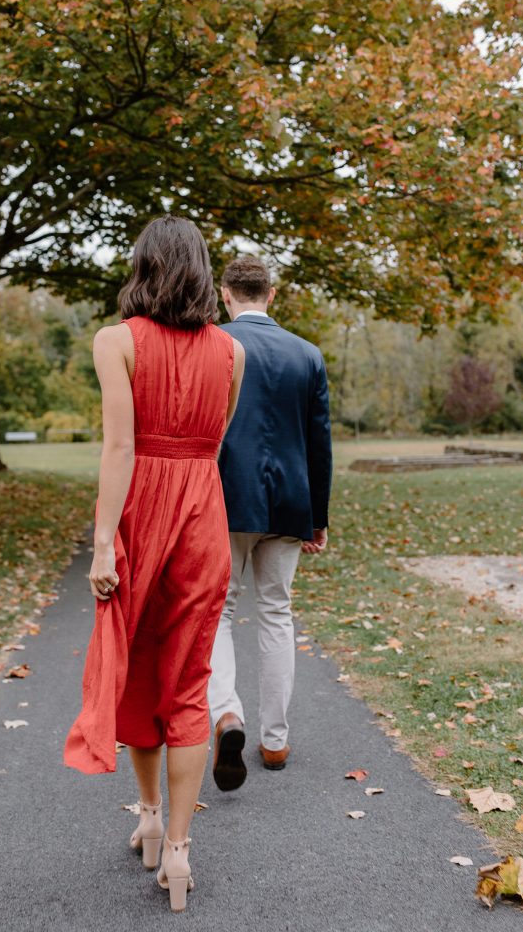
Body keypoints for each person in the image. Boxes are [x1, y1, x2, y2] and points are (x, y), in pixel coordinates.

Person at [63, 215, 245, 913]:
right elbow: (213, 441)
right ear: (202, 271)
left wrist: (104, 540)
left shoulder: (116, 341)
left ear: (142, 266)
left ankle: (145, 813)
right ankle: (177, 851)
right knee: (188, 679)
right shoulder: (231, 352)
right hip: (204, 516)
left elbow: (119, 448)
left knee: (137, 666)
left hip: (142, 514)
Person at [209, 256, 332, 792]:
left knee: (219, 610)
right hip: (289, 501)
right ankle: (276, 740)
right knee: (277, 613)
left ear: (224, 294)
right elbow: (318, 442)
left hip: (225, 499)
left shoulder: (212, 346)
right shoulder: (308, 355)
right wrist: (317, 517)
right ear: (272, 295)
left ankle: (227, 714)